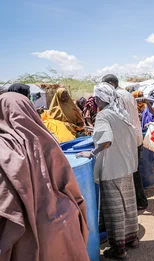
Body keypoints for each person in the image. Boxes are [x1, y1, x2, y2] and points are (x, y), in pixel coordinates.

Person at [0, 93, 89, 261]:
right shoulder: (47, 140)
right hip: (65, 220)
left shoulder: (4, 149)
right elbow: (70, 186)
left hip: (28, 235)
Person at [77, 83, 139, 260]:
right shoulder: (121, 112)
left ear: (98, 99)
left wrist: (92, 152)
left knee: (114, 209)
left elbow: (106, 141)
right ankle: (132, 239)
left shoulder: (103, 115)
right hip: (126, 165)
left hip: (112, 167)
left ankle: (119, 249)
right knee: (128, 204)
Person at [102, 74, 148, 210]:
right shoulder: (127, 94)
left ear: (111, 83)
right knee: (134, 171)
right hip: (136, 137)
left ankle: (137, 202)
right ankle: (139, 200)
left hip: (126, 139)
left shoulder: (116, 96)